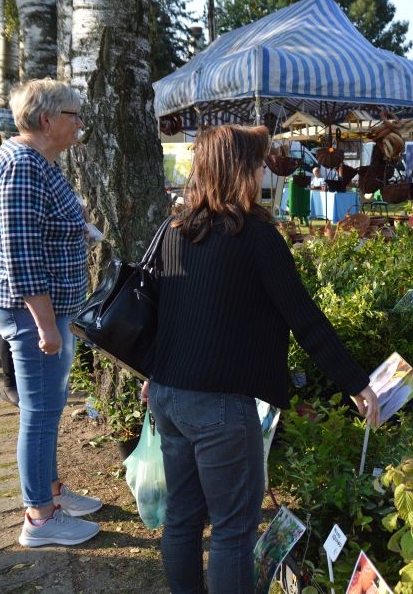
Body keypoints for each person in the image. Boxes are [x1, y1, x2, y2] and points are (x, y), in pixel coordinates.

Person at [142, 124, 380, 593]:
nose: (263, 173)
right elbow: (305, 319)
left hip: (169, 394)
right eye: (258, 164)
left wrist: (152, 374)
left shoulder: (173, 230)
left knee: (183, 518)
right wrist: (357, 383)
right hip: (219, 405)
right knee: (232, 529)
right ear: (240, 171)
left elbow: (161, 315)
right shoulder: (255, 237)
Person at [0, 79, 101, 547]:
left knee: (47, 408)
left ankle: (50, 492)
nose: (79, 124)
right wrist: (46, 325)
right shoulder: (22, 167)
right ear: (47, 119)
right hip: (33, 313)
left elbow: (44, 225)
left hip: (47, 310)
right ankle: (40, 518)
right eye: (74, 115)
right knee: (42, 412)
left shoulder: (38, 162)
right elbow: (22, 253)